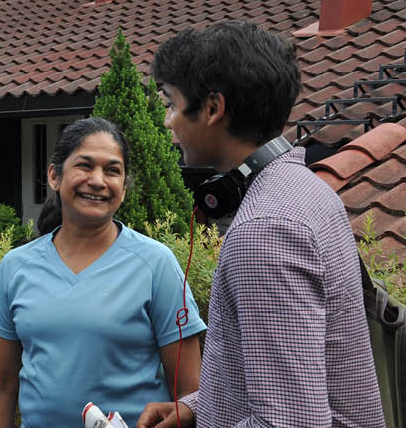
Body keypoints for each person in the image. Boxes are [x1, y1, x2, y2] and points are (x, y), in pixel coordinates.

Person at [137, 21, 384, 427]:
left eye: (172, 104)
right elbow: (295, 375)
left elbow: (291, 421)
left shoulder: (265, 231)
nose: (167, 121)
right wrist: (202, 404)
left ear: (213, 108)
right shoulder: (305, 188)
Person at [0, 117, 206, 427]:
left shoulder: (156, 265)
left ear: (124, 188)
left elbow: (189, 393)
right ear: (54, 176)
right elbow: (1, 385)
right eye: (85, 166)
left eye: (112, 170)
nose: (98, 180)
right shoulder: (16, 266)